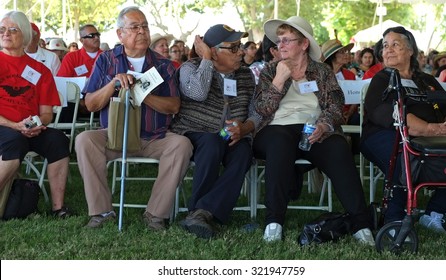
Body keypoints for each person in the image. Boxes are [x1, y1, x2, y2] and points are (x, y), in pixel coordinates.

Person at [253, 16, 374, 245]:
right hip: (276, 129)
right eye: (279, 40)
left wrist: (323, 125)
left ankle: (361, 223)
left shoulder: (322, 71)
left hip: (314, 128)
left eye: (287, 40)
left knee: (338, 147)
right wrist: (279, 81)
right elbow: (262, 109)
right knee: (279, 142)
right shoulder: (270, 71)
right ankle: (274, 221)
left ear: (304, 44)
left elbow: (336, 105)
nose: (281, 45)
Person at [75, 6, 193, 230]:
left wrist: (143, 95)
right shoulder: (106, 60)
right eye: (135, 27)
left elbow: (174, 106)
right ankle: (102, 212)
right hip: (114, 137)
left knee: (181, 144)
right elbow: (90, 104)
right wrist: (113, 84)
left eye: (145, 27)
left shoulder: (163, 64)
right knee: (84, 140)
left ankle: (155, 214)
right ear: (120, 34)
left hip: (154, 138)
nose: (142, 32)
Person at [360, 26, 446, 233]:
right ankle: (394, 220)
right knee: (402, 157)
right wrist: (429, 129)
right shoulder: (382, 79)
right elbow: (384, 112)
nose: (388, 50)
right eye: (385, 46)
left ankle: (435, 212)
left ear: (410, 51)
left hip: (430, 137)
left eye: (395, 45)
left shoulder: (427, 80)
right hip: (384, 134)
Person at [171, 24, 261, 239]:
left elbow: (256, 111)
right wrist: (206, 61)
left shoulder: (245, 75)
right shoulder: (190, 68)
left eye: (240, 47)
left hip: (230, 134)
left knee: (243, 153)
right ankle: (200, 211)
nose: (240, 52)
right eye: (233, 48)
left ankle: (202, 212)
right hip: (193, 131)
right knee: (211, 143)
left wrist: (245, 127)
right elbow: (199, 93)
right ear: (212, 51)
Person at [0, 10, 72, 217]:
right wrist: (15, 126)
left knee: (58, 140)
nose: (6, 34)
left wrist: (35, 124)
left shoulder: (40, 70)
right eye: (2, 29)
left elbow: (47, 113)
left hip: (29, 128)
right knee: (15, 141)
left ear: (25, 35)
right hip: (5, 128)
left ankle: (58, 208)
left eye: (13, 30)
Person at [57, 24, 103, 123]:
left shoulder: (107, 57)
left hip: (101, 100)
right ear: (82, 40)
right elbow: (62, 82)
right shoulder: (71, 57)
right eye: (91, 36)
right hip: (76, 102)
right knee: (66, 106)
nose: (96, 38)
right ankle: (66, 136)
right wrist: (80, 101)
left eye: (97, 35)